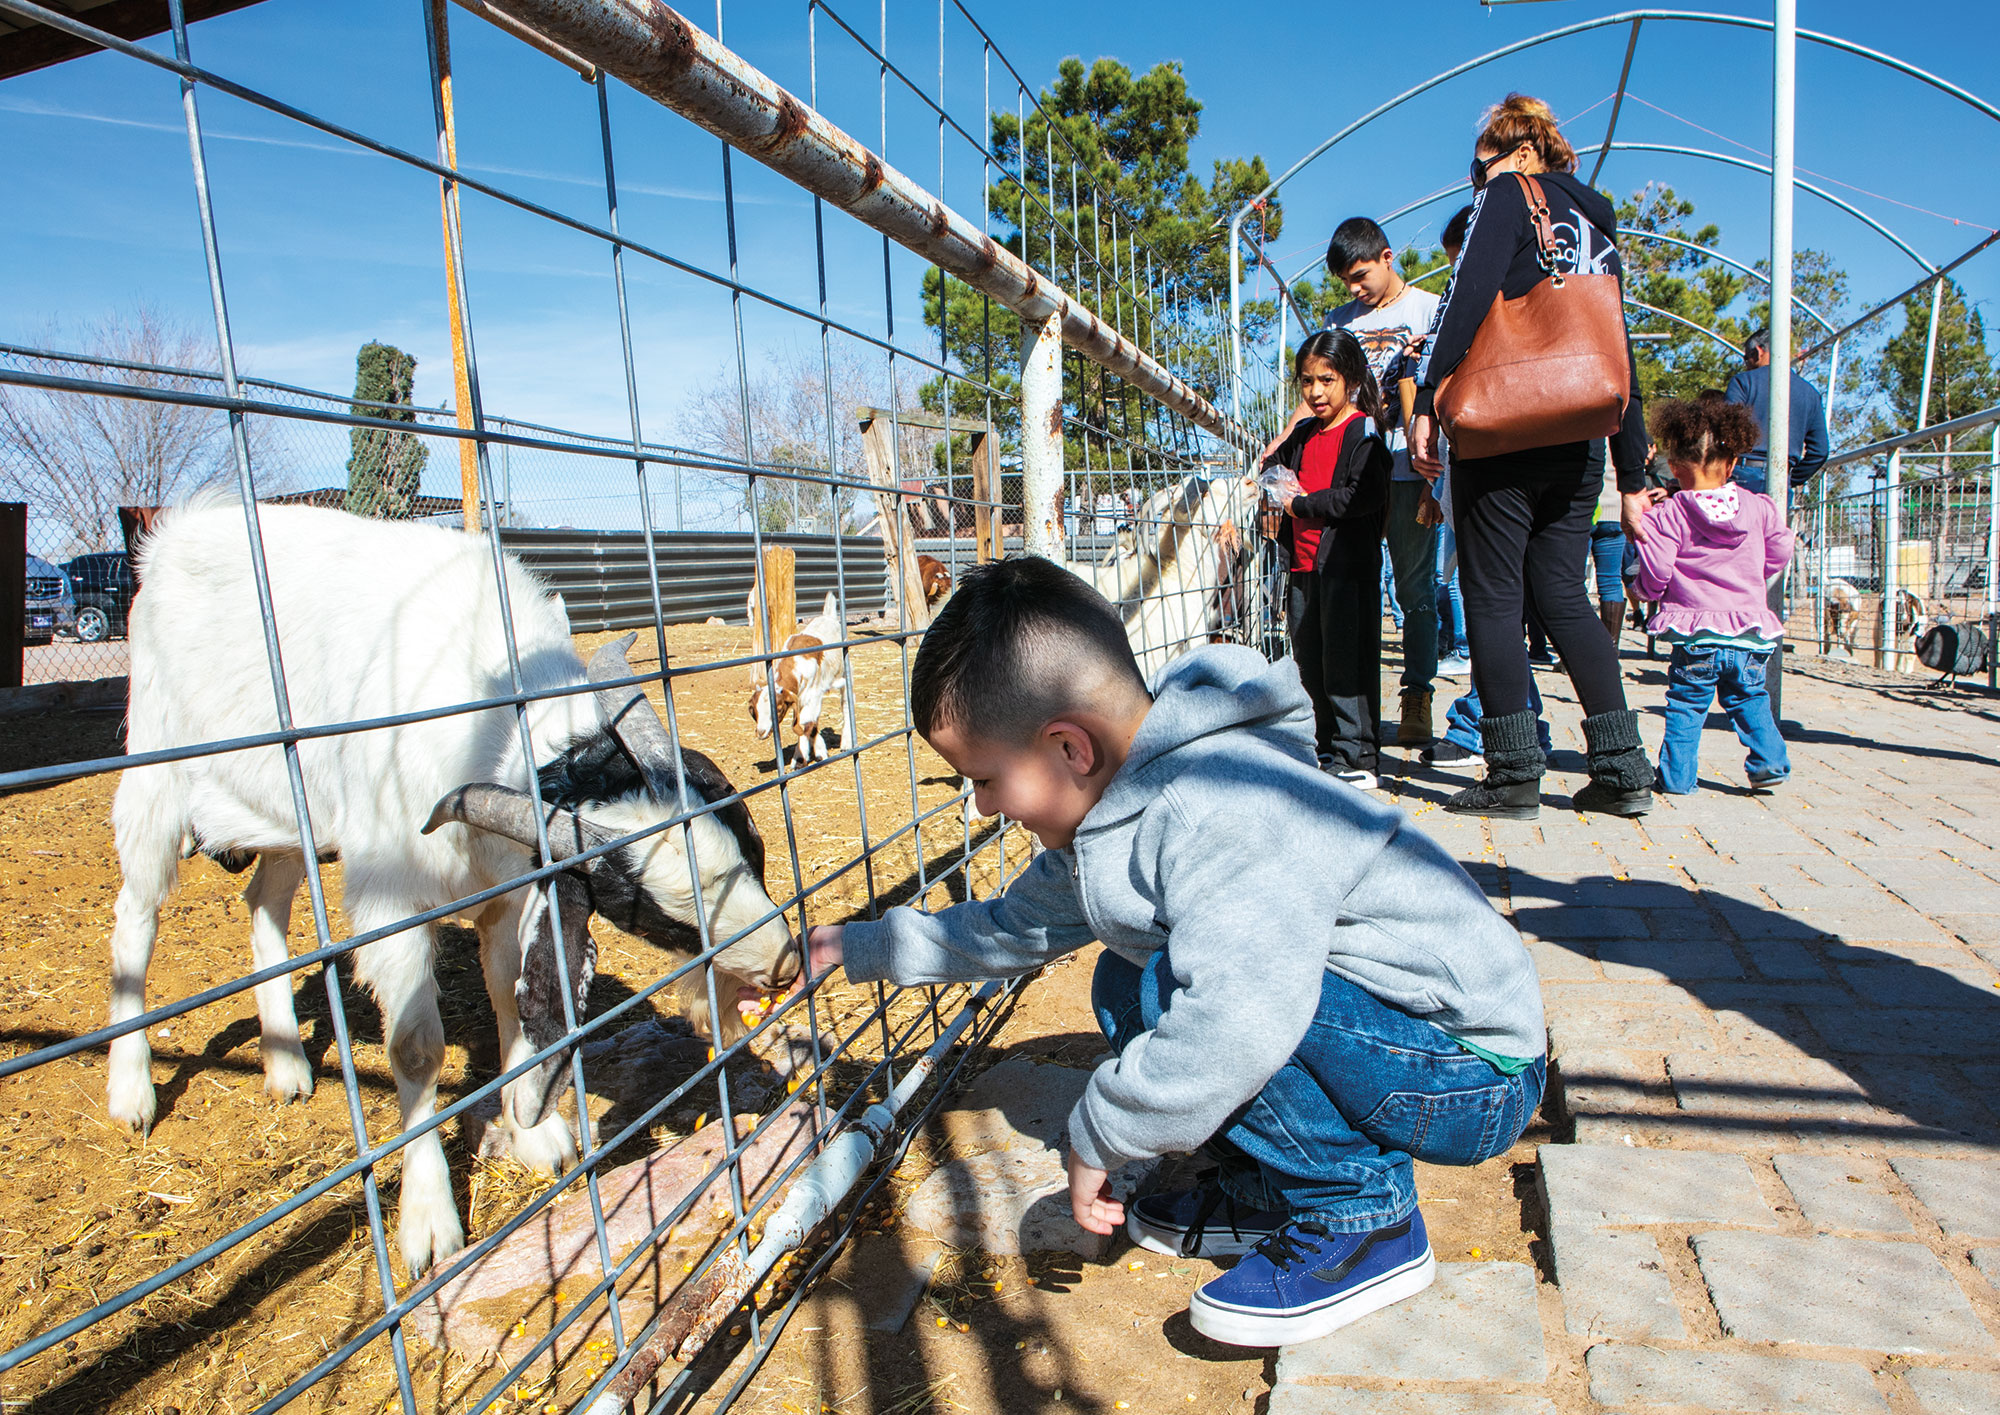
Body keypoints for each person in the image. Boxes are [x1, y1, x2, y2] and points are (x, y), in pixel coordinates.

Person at [802, 557, 1546, 1348]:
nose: (984, 805)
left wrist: (1101, 1130)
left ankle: (1362, 1217)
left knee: (1176, 992)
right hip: (1390, 1038)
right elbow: (1009, 928)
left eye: (986, 779)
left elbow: (1238, 1020)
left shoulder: (1217, 807)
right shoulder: (1117, 807)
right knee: (1127, 978)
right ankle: (1274, 1187)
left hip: (1472, 1071)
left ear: (1069, 748)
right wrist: (849, 946)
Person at [1409, 94, 1652, 820]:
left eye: (1476, 167)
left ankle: (1514, 773)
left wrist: (1427, 398)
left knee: (1490, 596)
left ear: (1515, 153)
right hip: (1578, 435)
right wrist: (1633, 471)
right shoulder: (1598, 221)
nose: (1473, 183)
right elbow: (1618, 350)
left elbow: (1469, 294)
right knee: (1563, 596)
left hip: (1506, 424)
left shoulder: (1509, 193)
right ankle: (1623, 769)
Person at [1263, 218, 1443, 749]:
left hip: (1409, 470)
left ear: (1388, 258)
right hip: (1343, 470)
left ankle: (1416, 695)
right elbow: (1315, 386)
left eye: (1361, 275)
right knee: (1344, 593)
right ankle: (1343, 720)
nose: (1354, 289)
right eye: (1345, 281)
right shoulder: (1341, 320)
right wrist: (1282, 439)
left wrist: (1440, 471)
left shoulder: (1429, 309)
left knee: (1414, 587)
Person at [1634, 395, 1795, 793]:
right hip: (1749, 631)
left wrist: (1644, 591)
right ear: (1733, 462)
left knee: (1687, 706)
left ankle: (1677, 778)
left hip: (1697, 637)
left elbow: (1656, 570)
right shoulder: (1759, 508)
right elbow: (1781, 549)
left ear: (1673, 467)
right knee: (1750, 698)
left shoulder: (1669, 514)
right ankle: (1770, 761)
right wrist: (1756, 575)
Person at [1262, 329, 1394, 789]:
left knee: (1348, 660)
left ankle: (1358, 754)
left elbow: (1362, 496)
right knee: (1311, 660)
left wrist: (1302, 504)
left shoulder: (1363, 432)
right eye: (1306, 381)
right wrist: (1281, 488)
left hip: (1346, 568)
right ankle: (1324, 747)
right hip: (1303, 565)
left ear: (1350, 379)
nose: (1315, 392)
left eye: (1327, 379)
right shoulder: (1303, 432)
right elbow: (1271, 468)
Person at [1723, 327, 1830, 730]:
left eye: (1749, 356)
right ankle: (1762, 669)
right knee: (1771, 570)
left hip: (1744, 474)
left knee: (1734, 568)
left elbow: (1726, 434)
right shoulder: (1808, 392)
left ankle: (1733, 660)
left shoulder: (1744, 383)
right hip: (1781, 481)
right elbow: (1820, 450)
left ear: (1761, 352)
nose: (1747, 363)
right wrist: (1792, 477)